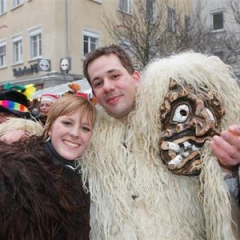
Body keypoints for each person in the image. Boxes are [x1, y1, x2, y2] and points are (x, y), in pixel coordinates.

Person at [81, 45, 240, 239]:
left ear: (136, 78)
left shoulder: (176, 119)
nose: (107, 86)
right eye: (98, 83)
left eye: (114, 76)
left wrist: (230, 167)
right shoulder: (88, 137)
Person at [0, 93, 96, 239]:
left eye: (85, 128)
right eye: (67, 123)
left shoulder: (93, 177)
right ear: (50, 127)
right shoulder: (20, 173)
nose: (75, 133)